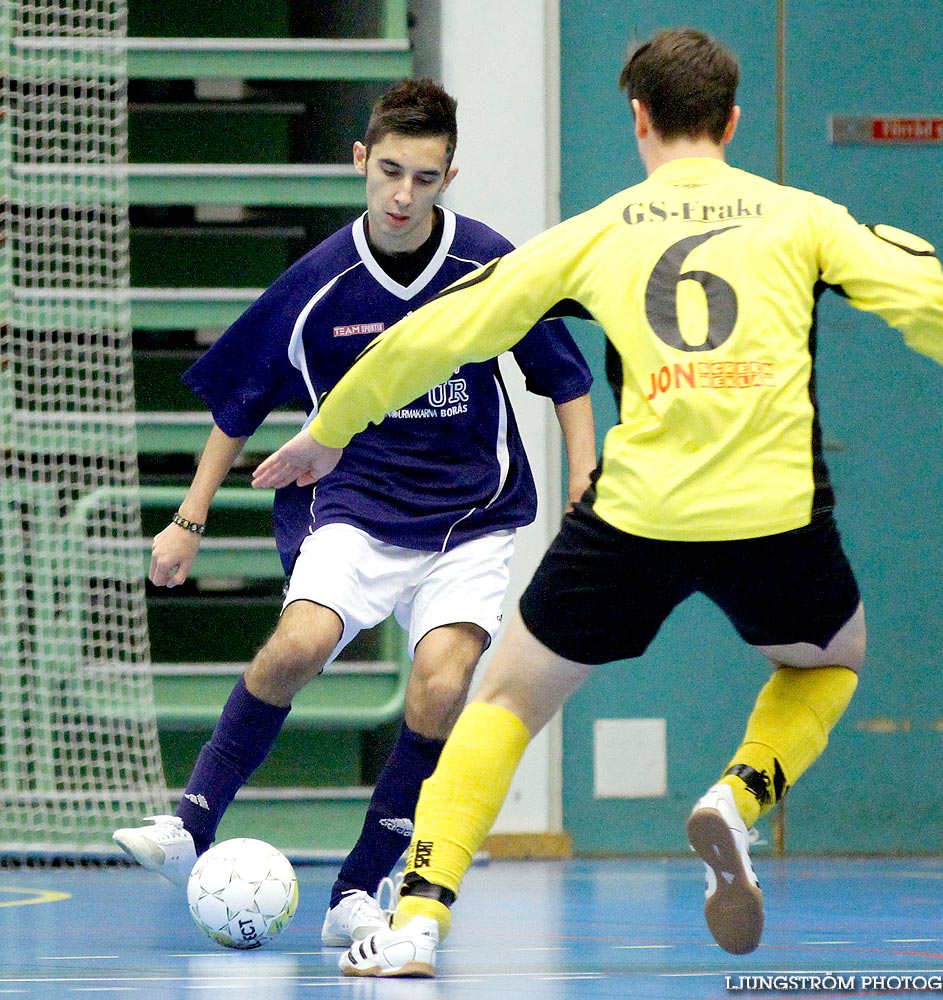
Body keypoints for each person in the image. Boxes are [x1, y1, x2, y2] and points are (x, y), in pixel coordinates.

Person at [252, 27, 943, 979]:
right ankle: (737, 799)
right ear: (732, 122)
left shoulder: (598, 230)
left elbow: (439, 332)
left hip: (637, 517)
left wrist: (333, 428)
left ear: (639, 119)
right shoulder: (804, 217)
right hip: (773, 513)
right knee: (831, 661)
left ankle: (414, 921)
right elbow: (929, 303)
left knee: (504, 702)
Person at [112, 77, 596, 949]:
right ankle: (192, 821)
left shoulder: (486, 265)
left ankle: (356, 891)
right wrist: (187, 521)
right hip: (356, 508)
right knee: (297, 644)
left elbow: (563, 376)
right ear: (361, 162)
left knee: (443, 685)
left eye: (426, 177)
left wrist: (586, 479)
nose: (404, 196)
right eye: (391, 174)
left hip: (471, 519)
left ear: (451, 176)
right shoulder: (318, 284)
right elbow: (239, 403)